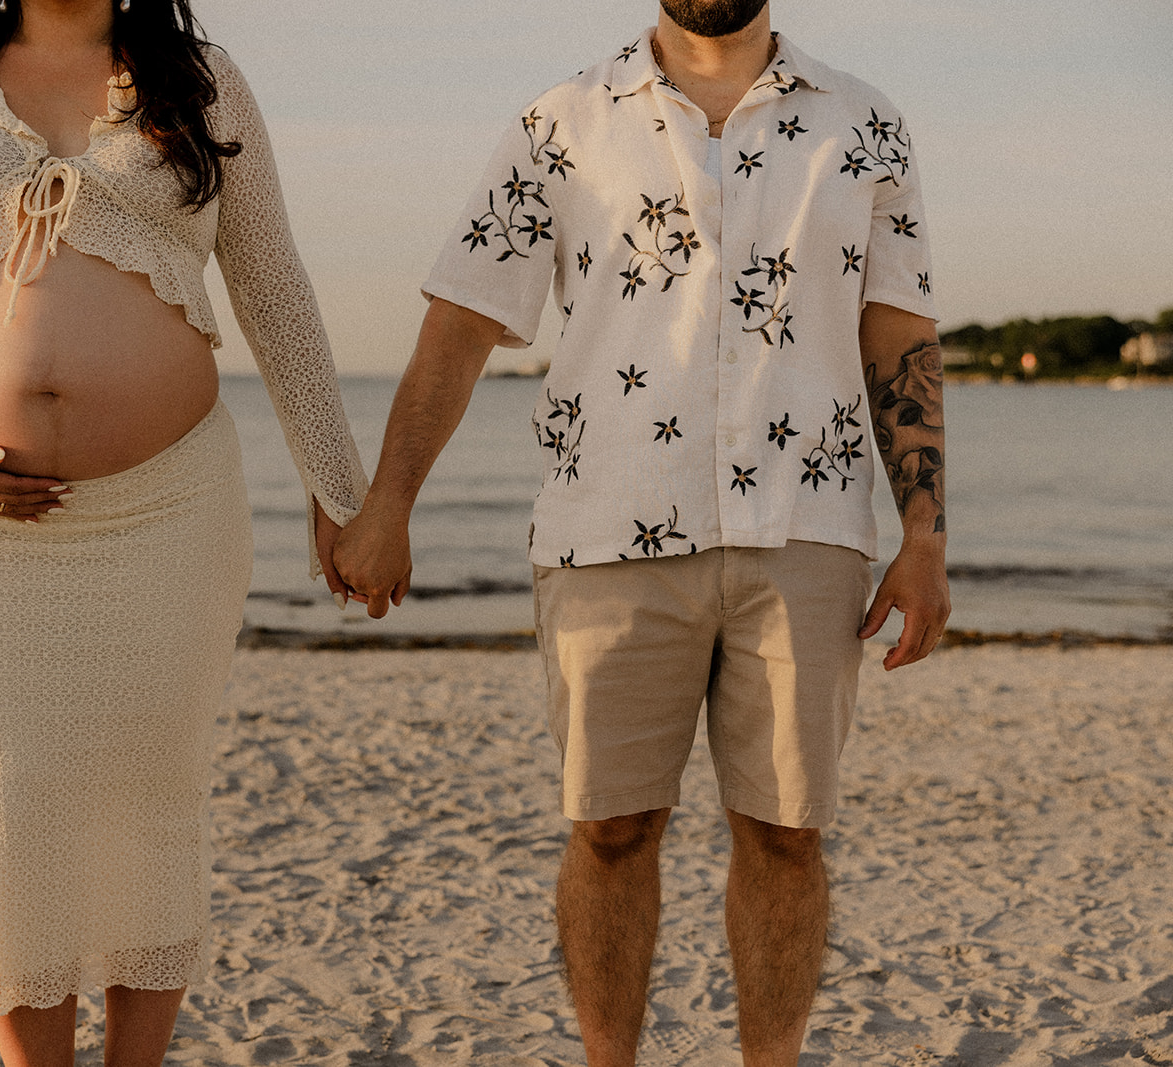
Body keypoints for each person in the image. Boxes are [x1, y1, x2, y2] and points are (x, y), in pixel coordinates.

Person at [333, 1, 948, 1063]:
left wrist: (926, 532)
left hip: (806, 523)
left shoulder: (864, 121)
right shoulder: (561, 120)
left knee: (787, 832)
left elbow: (896, 327)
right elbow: (463, 316)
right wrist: (388, 502)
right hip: (606, 524)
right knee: (610, 829)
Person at [0, 0, 366, 1062]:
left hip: (168, 512)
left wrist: (342, 494)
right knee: (9, 802)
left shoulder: (202, 78)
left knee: (148, 799)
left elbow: (272, 284)